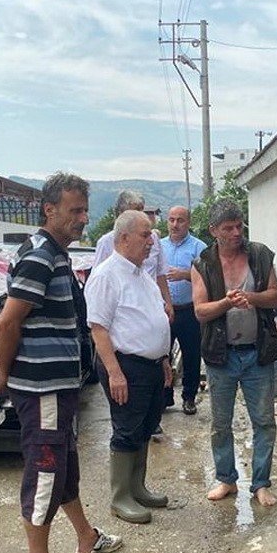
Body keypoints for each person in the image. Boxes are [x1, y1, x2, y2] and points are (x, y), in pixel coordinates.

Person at [0, 173, 122, 553]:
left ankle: (86, 537)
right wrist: (3, 371)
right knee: (45, 469)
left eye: (84, 210)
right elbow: (8, 321)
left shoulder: (54, 254)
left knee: (65, 463)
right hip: (42, 389)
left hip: (59, 385)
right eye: (74, 210)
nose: (83, 218)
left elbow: (29, 322)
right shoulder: (41, 256)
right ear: (50, 210)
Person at [191, 199, 277, 507]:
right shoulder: (203, 263)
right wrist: (227, 303)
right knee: (221, 422)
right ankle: (226, 479)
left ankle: (260, 483)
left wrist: (251, 298)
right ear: (213, 231)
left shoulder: (258, 254)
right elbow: (201, 311)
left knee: (264, 421)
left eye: (239, 225)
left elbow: (275, 296)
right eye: (228, 228)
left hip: (257, 353)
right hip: (221, 355)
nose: (236, 232)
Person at [86, 210, 173, 524]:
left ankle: (138, 487)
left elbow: (155, 319)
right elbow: (98, 328)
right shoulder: (107, 275)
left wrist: (163, 359)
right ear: (123, 238)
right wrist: (114, 372)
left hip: (150, 365)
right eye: (145, 234)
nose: (151, 241)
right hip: (125, 365)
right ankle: (120, 496)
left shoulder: (141, 275)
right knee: (126, 428)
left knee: (146, 425)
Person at [93, 190, 174, 322]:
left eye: (141, 210)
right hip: (125, 312)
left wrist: (168, 302)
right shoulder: (106, 242)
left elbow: (160, 273)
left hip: (152, 306)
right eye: (135, 211)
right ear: (121, 215)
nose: (141, 215)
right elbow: (100, 286)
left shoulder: (153, 239)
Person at [162, 205, 208, 415]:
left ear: (188, 222)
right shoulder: (159, 247)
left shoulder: (199, 248)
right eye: (171, 220)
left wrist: (186, 274)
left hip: (190, 310)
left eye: (180, 220)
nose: (175, 224)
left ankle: (189, 398)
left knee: (191, 356)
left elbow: (209, 277)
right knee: (162, 355)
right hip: (165, 311)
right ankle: (164, 397)